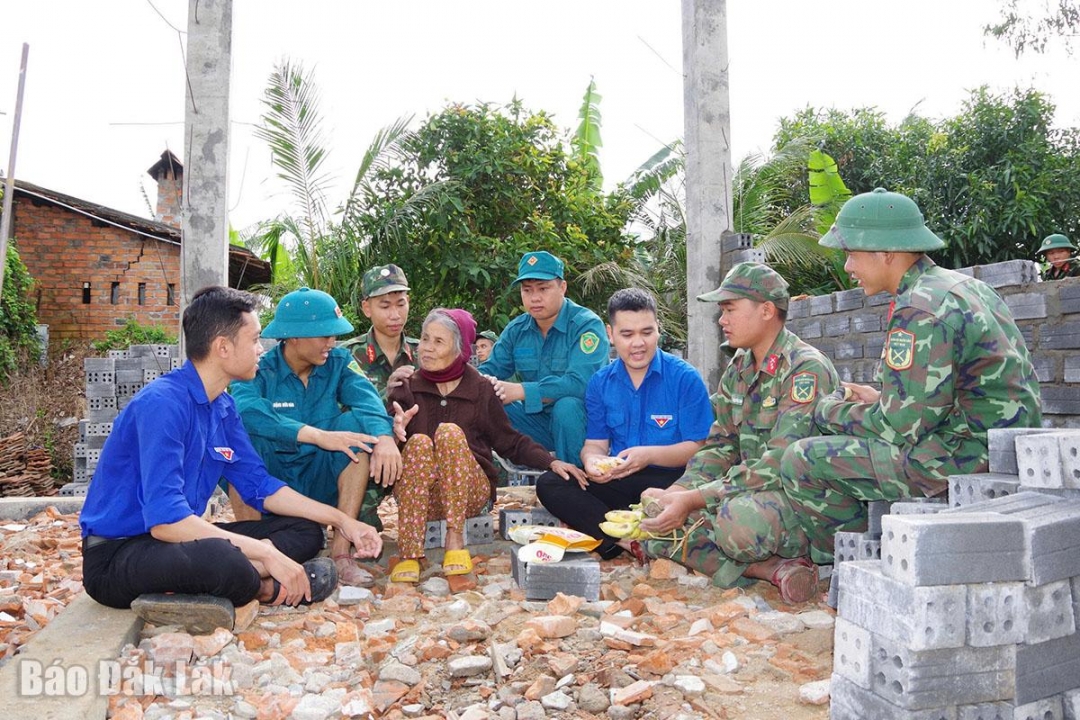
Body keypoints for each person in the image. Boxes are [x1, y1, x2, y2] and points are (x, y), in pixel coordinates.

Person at [79, 286, 383, 633]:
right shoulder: (163, 404)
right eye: (254, 340)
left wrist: (343, 521)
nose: (261, 349)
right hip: (119, 555)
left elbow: (260, 485)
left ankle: (226, 581)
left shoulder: (223, 407)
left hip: (175, 544)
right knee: (221, 558)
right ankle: (266, 589)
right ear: (223, 347)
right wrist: (267, 553)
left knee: (305, 531)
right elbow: (166, 522)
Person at [781, 188, 1042, 565]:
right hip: (999, 447)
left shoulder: (918, 307)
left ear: (885, 252)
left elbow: (899, 427)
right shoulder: (964, 286)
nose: (848, 266)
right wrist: (880, 399)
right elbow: (954, 393)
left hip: (965, 458)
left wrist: (827, 410)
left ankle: (852, 565)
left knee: (801, 460)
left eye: (851, 253)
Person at [637, 263, 840, 603]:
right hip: (746, 491)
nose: (722, 320)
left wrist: (695, 500)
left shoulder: (805, 369)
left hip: (801, 502)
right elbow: (720, 446)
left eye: (730, 309)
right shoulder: (740, 366)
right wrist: (678, 492)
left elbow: (779, 463)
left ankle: (786, 555)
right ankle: (770, 570)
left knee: (737, 525)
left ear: (766, 310)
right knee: (657, 520)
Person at [387, 308, 585, 583]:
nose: (427, 348)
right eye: (424, 338)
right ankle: (409, 553)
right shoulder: (406, 387)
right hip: (422, 497)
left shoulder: (481, 389)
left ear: (459, 350)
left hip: (469, 495)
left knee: (449, 433)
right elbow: (384, 449)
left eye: (438, 341)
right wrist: (394, 434)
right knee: (419, 442)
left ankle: (455, 540)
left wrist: (550, 461)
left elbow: (509, 441)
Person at [230, 287, 401, 588]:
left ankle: (341, 554)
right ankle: (255, 555)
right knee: (239, 443)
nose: (331, 343)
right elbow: (246, 410)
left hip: (320, 478)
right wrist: (317, 436)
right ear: (294, 337)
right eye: (324, 335)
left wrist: (384, 437)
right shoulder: (260, 369)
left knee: (356, 431)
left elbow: (367, 401)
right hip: (272, 484)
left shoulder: (339, 362)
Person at [535, 288, 713, 561]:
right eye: (627, 334)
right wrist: (592, 461)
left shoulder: (684, 378)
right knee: (551, 484)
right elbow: (595, 444)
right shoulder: (600, 383)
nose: (638, 343)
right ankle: (627, 541)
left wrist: (649, 456)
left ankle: (613, 530)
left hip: (671, 481)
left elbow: (699, 447)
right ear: (611, 334)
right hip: (620, 479)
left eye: (647, 332)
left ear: (658, 329)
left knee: (692, 496)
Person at [477, 251, 609, 464]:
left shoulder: (586, 325)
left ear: (562, 287)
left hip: (585, 426)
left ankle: (578, 480)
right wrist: (481, 383)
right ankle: (483, 476)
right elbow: (488, 370)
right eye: (527, 290)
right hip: (537, 423)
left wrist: (520, 391)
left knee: (567, 407)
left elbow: (581, 384)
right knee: (487, 400)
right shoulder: (517, 329)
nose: (534, 298)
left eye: (543, 288)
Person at [341, 264, 419, 397]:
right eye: (385, 306)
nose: (395, 315)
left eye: (401, 304)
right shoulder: (346, 356)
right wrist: (387, 394)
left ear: (408, 302)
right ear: (367, 308)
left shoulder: (424, 353)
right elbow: (337, 406)